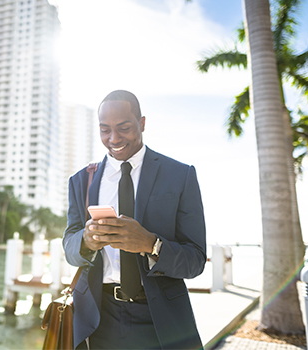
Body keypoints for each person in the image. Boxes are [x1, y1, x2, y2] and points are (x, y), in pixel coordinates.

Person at [63, 90, 206, 349]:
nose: (113, 138)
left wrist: (152, 244)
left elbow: (195, 261)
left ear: (142, 123)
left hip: (161, 320)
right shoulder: (81, 180)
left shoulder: (180, 175)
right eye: (104, 130)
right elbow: (70, 249)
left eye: (124, 128)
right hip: (97, 317)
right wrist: (85, 240)